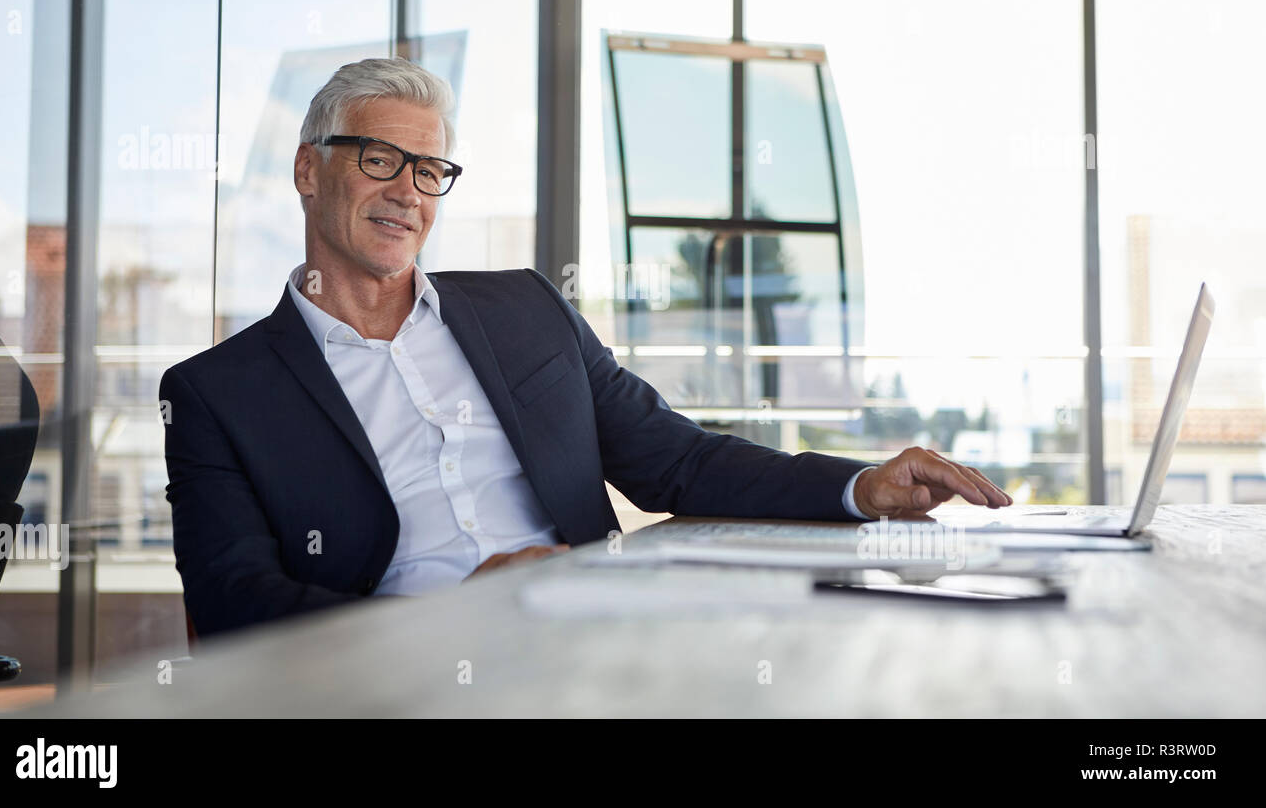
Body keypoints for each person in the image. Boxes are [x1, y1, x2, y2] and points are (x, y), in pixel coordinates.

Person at [161, 57, 1010, 638]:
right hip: (397, 674)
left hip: (587, 632)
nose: (407, 193)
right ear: (311, 171)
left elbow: (679, 462)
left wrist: (862, 485)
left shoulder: (524, 310)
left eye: (429, 171)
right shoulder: (218, 393)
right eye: (381, 159)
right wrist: (443, 617)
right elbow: (238, 600)